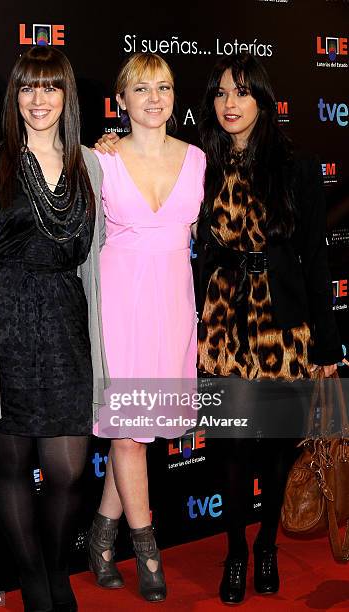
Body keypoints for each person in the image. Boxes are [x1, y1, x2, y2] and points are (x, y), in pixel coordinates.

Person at [0, 45, 108, 612]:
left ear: (67, 96)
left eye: (51, 87)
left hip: (67, 326)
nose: (39, 100)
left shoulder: (92, 164)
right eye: (28, 87)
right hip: (3, 327)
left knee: (67, 467)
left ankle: (57, 565)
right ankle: (36, 581)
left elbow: (102, 251)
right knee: (11, 461)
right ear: (16, 96)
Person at [196, 52, 346, 605]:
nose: (230, 104)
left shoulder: (297, 166)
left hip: (283, 327)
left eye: (241, 92)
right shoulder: (200, 163)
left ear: (262, 99)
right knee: (231, 448)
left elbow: (315, 257)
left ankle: (266, 545)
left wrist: (327, 345)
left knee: (280, 449)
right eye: (220, 93)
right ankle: (235, 551)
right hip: (222, 324)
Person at [87, 52, 206, 603]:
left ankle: (100, 536)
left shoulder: (198, 159)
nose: (154, 98)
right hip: (119, 308)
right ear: (122, 101)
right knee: (132, 433)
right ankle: (148, 551)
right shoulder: (100, 161)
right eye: (141, 89)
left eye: (163, 87)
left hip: (174, 308)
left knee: (136, 429)